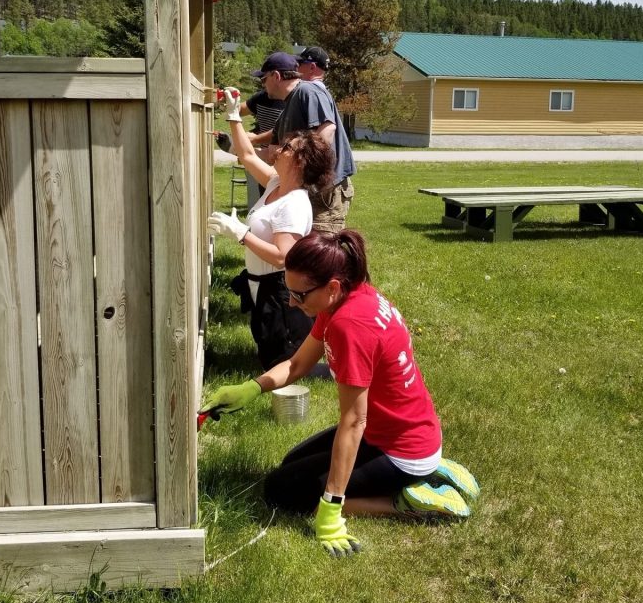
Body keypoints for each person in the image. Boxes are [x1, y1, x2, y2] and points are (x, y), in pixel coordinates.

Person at [201, 229, 480, 557]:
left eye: (299, 295)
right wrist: (252, 388)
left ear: (331, 287)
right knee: (290, 464)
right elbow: (298, 364)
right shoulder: (347, 296)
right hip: (400, 431)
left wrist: (331, 509)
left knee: (283, 493)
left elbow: (353, 421)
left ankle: (407, 499)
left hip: (400, 449)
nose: (291, 302)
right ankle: (426, 468)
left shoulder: (350, 326)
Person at [208, 87, 336, 370]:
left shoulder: (294, 203)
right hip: (262, 286)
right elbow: (247, 155)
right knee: (267, 353)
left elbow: (282, 257)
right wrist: (233, 114)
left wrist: (241, 234)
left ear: (300, 163)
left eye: (287, 148)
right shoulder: (277, 183)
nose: (278, 148)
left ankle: (328, 372)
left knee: (282, 362)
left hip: (279, 292)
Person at [249, 48, 356, 234]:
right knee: (303, 252)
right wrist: (239, 151)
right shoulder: (290, 104)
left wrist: (304, 173)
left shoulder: (308, 91)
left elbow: (327, 130)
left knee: (320, 252)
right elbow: (276, 153)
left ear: (276, 76)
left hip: (323, 191)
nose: (263, 85)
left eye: (263, 79)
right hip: (306, 190)